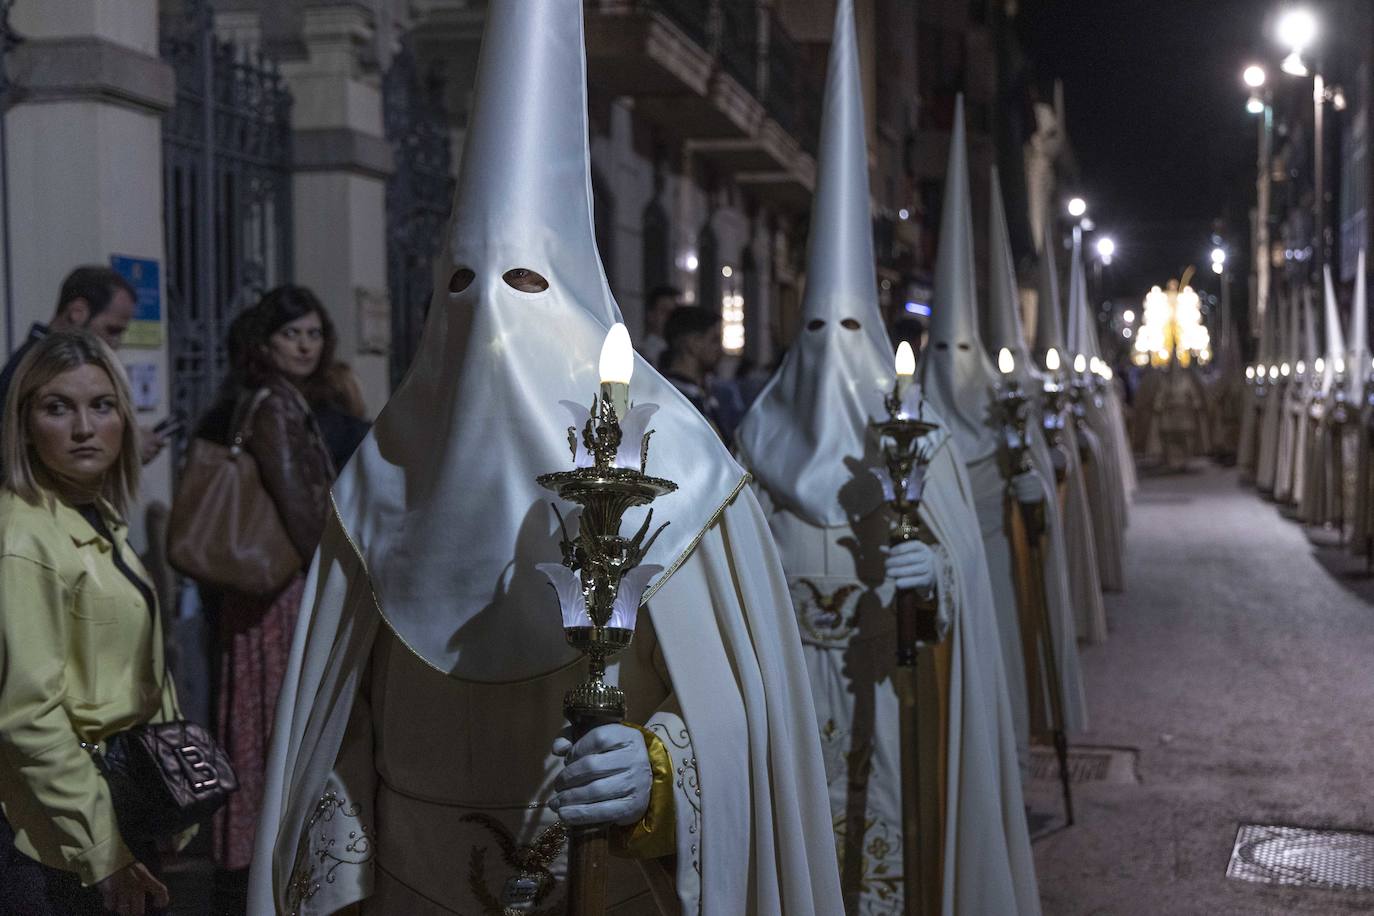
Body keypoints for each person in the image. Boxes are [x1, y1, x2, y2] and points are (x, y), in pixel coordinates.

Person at [249, 2, 843, 912]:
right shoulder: (379, 485)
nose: (489, 314)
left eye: (525, 284)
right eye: (461, 284)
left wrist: (659, 772)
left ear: (576, 293)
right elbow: (335, 734)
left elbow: (755, 721)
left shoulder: (685, 475)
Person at [735, 8, 1039, 912]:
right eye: (818, 329)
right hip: (792, 703)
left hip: (895, 696)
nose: (834, 351)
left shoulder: (922, 448)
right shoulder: (751, 442)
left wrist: (937, 574)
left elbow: (965, 602)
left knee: (890, 865)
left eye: (853, 329)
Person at [919, 98, 1088, 769]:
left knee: (1000, 674)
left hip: (994, 566)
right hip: (934, 584)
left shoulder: (1003, 408)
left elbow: (1042, 510)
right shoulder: (905, 420)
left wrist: (1032, 488)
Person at [0, 330, 188, 916]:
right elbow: (28, 717)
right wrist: (104, 847)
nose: (84, 427)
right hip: (59, 837)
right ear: (26, 423)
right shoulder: (23, 536)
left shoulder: (94, 512)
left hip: (116, 801)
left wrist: (173, 785)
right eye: (59, 408)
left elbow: (134, 667)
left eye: (101, 406)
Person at [181, 286, 338, 910]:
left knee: (257, 719)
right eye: (291, 335)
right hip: (277, 588)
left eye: (314, 334)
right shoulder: (274, 405)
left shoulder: (274, 399)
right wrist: (331, 562)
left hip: (263, 587)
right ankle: (261, 855)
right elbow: (298, 505)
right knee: (275, 720)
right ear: (264, 343)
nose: (305, 346)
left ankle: (249, 848)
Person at [0, 266, 168, 468]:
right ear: (77, 312)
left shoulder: (56, 364)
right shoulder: (36, 368)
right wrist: (126, 452)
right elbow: (18, 456)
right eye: (111, 330)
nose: (116, 344)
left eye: (101, 406)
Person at [662, 305, 740, 441]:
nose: (720, 350)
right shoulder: (669, 396)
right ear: (692, 343)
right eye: (714, 340)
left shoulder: (709, 394)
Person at [639, 284, 680, 367]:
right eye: (664, 311)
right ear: (651, 315)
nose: (670, 317)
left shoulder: (678, 350)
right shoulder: (644, 353)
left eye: (674, 313)